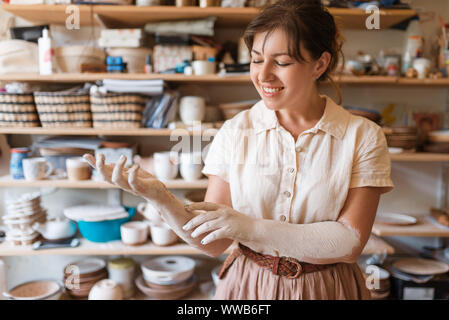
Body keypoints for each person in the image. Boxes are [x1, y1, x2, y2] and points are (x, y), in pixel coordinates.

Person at [84, 0, 394, 300]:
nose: (263, 74)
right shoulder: (235, 132)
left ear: (320, 64)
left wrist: (249, 228)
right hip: (247, 285)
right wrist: (160, 198)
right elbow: (215, 242)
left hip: (326, 289)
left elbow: (349, 242)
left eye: (282, 62)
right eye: (257, 59)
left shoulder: (362, 136)